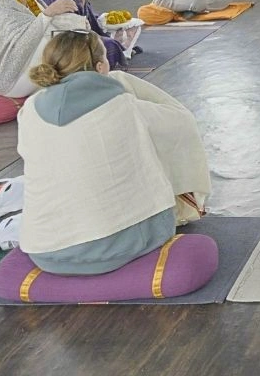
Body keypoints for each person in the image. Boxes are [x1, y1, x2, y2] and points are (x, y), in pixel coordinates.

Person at [17, 30, 210, 275]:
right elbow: (182, 125)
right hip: (113, 247)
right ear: (99, 67)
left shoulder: (29, 110)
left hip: (44, 250)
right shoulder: (124, 107)